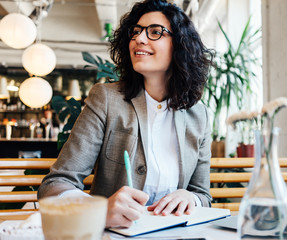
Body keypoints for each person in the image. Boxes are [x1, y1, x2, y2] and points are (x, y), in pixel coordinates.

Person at [38, 0, 213, 228]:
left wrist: (191, 198)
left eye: (154, 32)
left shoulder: (199, 115)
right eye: (136, 31)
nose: (139, 39)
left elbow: (203, 196)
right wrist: (98, 211)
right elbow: (55, 185)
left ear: (180, 46)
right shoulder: (107, 99)